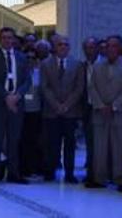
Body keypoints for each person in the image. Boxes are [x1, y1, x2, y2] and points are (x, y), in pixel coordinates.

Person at [87, 35, 122, 192]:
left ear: (121, 48)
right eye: (108, 46)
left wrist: (114, 106)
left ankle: (119, 179)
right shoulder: (97, 66)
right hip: (100, 112)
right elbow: (92, 87)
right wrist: (101, 106)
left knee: (120, 148)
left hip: (121, 113)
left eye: (114, 46)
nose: (110, 49)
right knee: (100, 148)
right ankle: (99, 179)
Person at [0, 27, 32, 185]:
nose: (7, 40)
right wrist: (6, 97)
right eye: (4, 37)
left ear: (14, 39)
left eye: (10, 37)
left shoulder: (22, 57)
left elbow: (27, 80)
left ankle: (14, 173)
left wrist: (17, 96)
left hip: (17, 104)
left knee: (14, 139)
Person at [40, 34, 85, 183]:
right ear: (55, 47)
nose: (63, 47)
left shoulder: (77, 64)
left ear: (69, 47)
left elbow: (79, 88)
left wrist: (66, 105)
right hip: (51, 111)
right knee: (51, 143)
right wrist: (56, 105)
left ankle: (69, 173)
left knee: (70, 144)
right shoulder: (46, 64)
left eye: (66, 44)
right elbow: (44, 87)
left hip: (70, 111)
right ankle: (50, 171)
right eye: (60, 45)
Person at [20, 40, 48, 180]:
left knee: (35, 142)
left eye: (33, 57)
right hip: (22, 111)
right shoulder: (20, 72)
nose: (30, 60)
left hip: (36, 112)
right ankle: (23, 168)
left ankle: (35, 168)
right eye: (28, 57)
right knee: (23, 141)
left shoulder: (40, 73)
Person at [81, 36, 99, 185]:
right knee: (90, 143)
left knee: (100, 144)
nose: (89, 51)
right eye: (86, 48)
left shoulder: (104, 65)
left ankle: (98, 175)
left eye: (92, 47)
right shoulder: (82, 66)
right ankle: (91, 174)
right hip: (87, 108)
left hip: (102, 108)